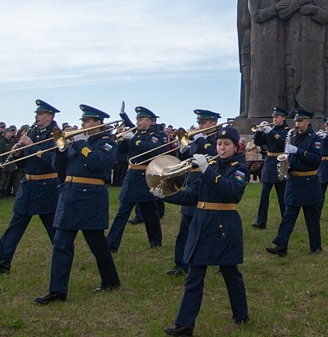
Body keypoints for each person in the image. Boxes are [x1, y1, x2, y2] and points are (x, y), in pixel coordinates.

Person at [156, 125, 250, 337]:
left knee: (230, 273)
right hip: (202, 223)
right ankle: (184, 325)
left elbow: (232, 192)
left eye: (226, 144)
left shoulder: (239, 167)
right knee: (194, 275)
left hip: (223, 225)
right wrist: (166, 194)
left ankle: (241, 315)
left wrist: (207, 171)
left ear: (236, 147)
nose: (221, 148)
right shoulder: (213, 163)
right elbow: (192, 196)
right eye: (219, 144)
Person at [34, 105, 120, 304]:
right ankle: (57, 291)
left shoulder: (107, 143)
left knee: (97, 244)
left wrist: (81, 144)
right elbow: (58, 168)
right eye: (82, 121)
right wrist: (62, 150)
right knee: (61, 243)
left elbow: (97, 162)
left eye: (87, 121)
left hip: (91, 196)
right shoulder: (78, 143)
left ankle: (110, 279)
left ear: (98, 123)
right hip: (70, 195)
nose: (82, 124)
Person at [0, 101, 63, 275]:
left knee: (52, 227)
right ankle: (4, 260)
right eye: (37, 113)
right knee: (16, 222)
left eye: (40, 114)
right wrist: (19, 152)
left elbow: (55, 160)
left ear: (49, 116)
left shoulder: (58, 134)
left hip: (46, 185)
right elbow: (28, 157)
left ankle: (63, 257)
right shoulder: (33, 131)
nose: (37, 117)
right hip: (28, 184)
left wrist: (31, 145)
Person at [105, 106, 167, 252]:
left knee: (150, 212)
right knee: (122, 211)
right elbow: (121, 152)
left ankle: (155, 240)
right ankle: (111, 244)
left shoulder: (155, 135)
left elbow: (151, 149)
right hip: (131, 175)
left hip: (146, 176)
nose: (138, 122)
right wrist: (123, 140)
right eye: (137, 119)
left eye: (141, 119)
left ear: (150, 121)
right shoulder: (135, 134)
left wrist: (133, 139)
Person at [265, 106, 324, 257]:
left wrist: (298, 151)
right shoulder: (292, 135)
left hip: (309, 180)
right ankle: (281, 245)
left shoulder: (315, 139)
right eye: (296, 121)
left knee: (311, 217)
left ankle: (315, 246)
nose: (297, 124)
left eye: (300, 121)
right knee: (288, 215)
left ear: (307, 121)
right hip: (293, 180)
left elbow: (316, 160)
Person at [168, 109, 221, 276]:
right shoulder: (196, 140)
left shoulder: (220, 139)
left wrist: (200, 140)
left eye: (203, 123)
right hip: (192, 184)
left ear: (213, 123)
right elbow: (185, 161)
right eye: (199, 123)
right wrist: (182, 150)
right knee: (185, 227)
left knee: (214, 228)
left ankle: (222, 260)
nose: (200, 126)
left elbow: (214, 155)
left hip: (210, 184)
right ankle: (180, 264)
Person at [251, 107, 289, 229]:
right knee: (264, 194)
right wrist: (260, 131)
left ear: (283, 118)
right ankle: (261, 221)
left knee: (282, 195)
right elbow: (258, 142)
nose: (275, 119)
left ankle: (286, 220)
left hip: (280, 161)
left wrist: (271, 132)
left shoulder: (286, 131)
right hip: (269, 162)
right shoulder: (270, 130)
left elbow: (283, 142)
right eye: (273, 117)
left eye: (277, 117)